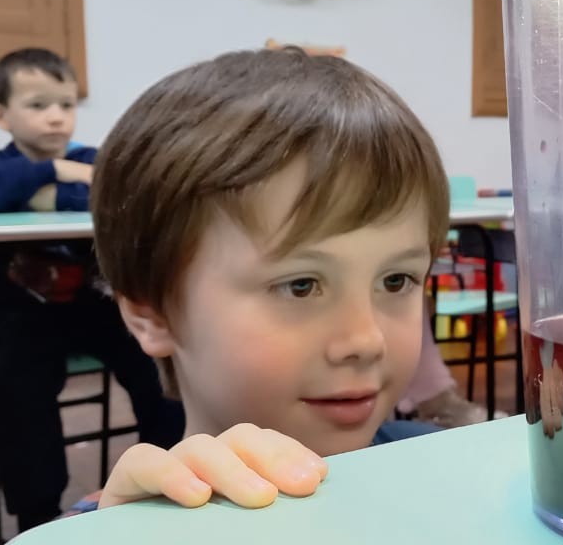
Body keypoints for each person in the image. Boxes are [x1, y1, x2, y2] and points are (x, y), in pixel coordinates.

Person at [82, 47, 449, 511]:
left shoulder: (434, 464)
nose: (366, 341)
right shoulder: (116, 520)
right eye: (301, 285)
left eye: (396, 281)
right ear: (153, 316)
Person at [0, 48, 183, 529]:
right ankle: (37, 513)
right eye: (38, 105)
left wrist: (46, 194)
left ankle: (169, 475)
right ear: (1, 115)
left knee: (162, 362)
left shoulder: (92, 160)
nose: (56, 117)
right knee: (17, 390)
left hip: (98, 305)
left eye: (66, 105)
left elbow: (122, 194)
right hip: (20, 313)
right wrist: (52, 172)